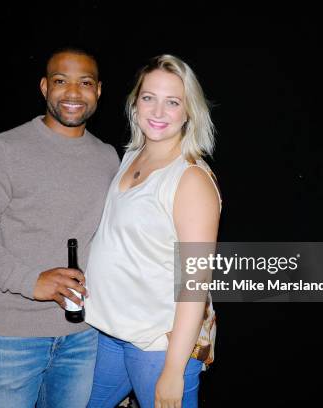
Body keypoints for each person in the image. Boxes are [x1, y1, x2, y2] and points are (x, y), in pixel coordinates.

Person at [0, 48, 119, 407]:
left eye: (85, 83)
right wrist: (31, 281)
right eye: (61, 81)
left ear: (99, 91)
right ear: (44, 87)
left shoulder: (108, 157)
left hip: (84, 335)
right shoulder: (3, 151)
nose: (73, 93)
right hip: (11, 338)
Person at [85, 54, 221, 408]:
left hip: (158, 346)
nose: (158, 112)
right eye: (149, 98)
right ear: (135, 103)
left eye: (172, 102)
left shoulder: (190, 179)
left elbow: (194, 284)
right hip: (111, 334)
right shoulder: (134, 154)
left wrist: (174, 370)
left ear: (188, 111)